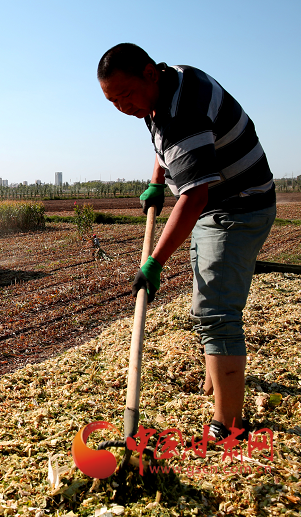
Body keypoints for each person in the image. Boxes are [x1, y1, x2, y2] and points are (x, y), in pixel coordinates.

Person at [97, 43, 276, 440]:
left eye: (126, 96)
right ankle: (219, 377)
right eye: (113, 101)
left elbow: (194, 197)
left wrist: (155, 262)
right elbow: (164, 140)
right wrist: (157, 181)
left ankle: (229, 425)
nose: (123, 107)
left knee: (215, 309)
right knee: (208, 297)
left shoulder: (184, 111)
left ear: (149, 73)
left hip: (239, 205)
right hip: (218, 201)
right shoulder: (163, 87)